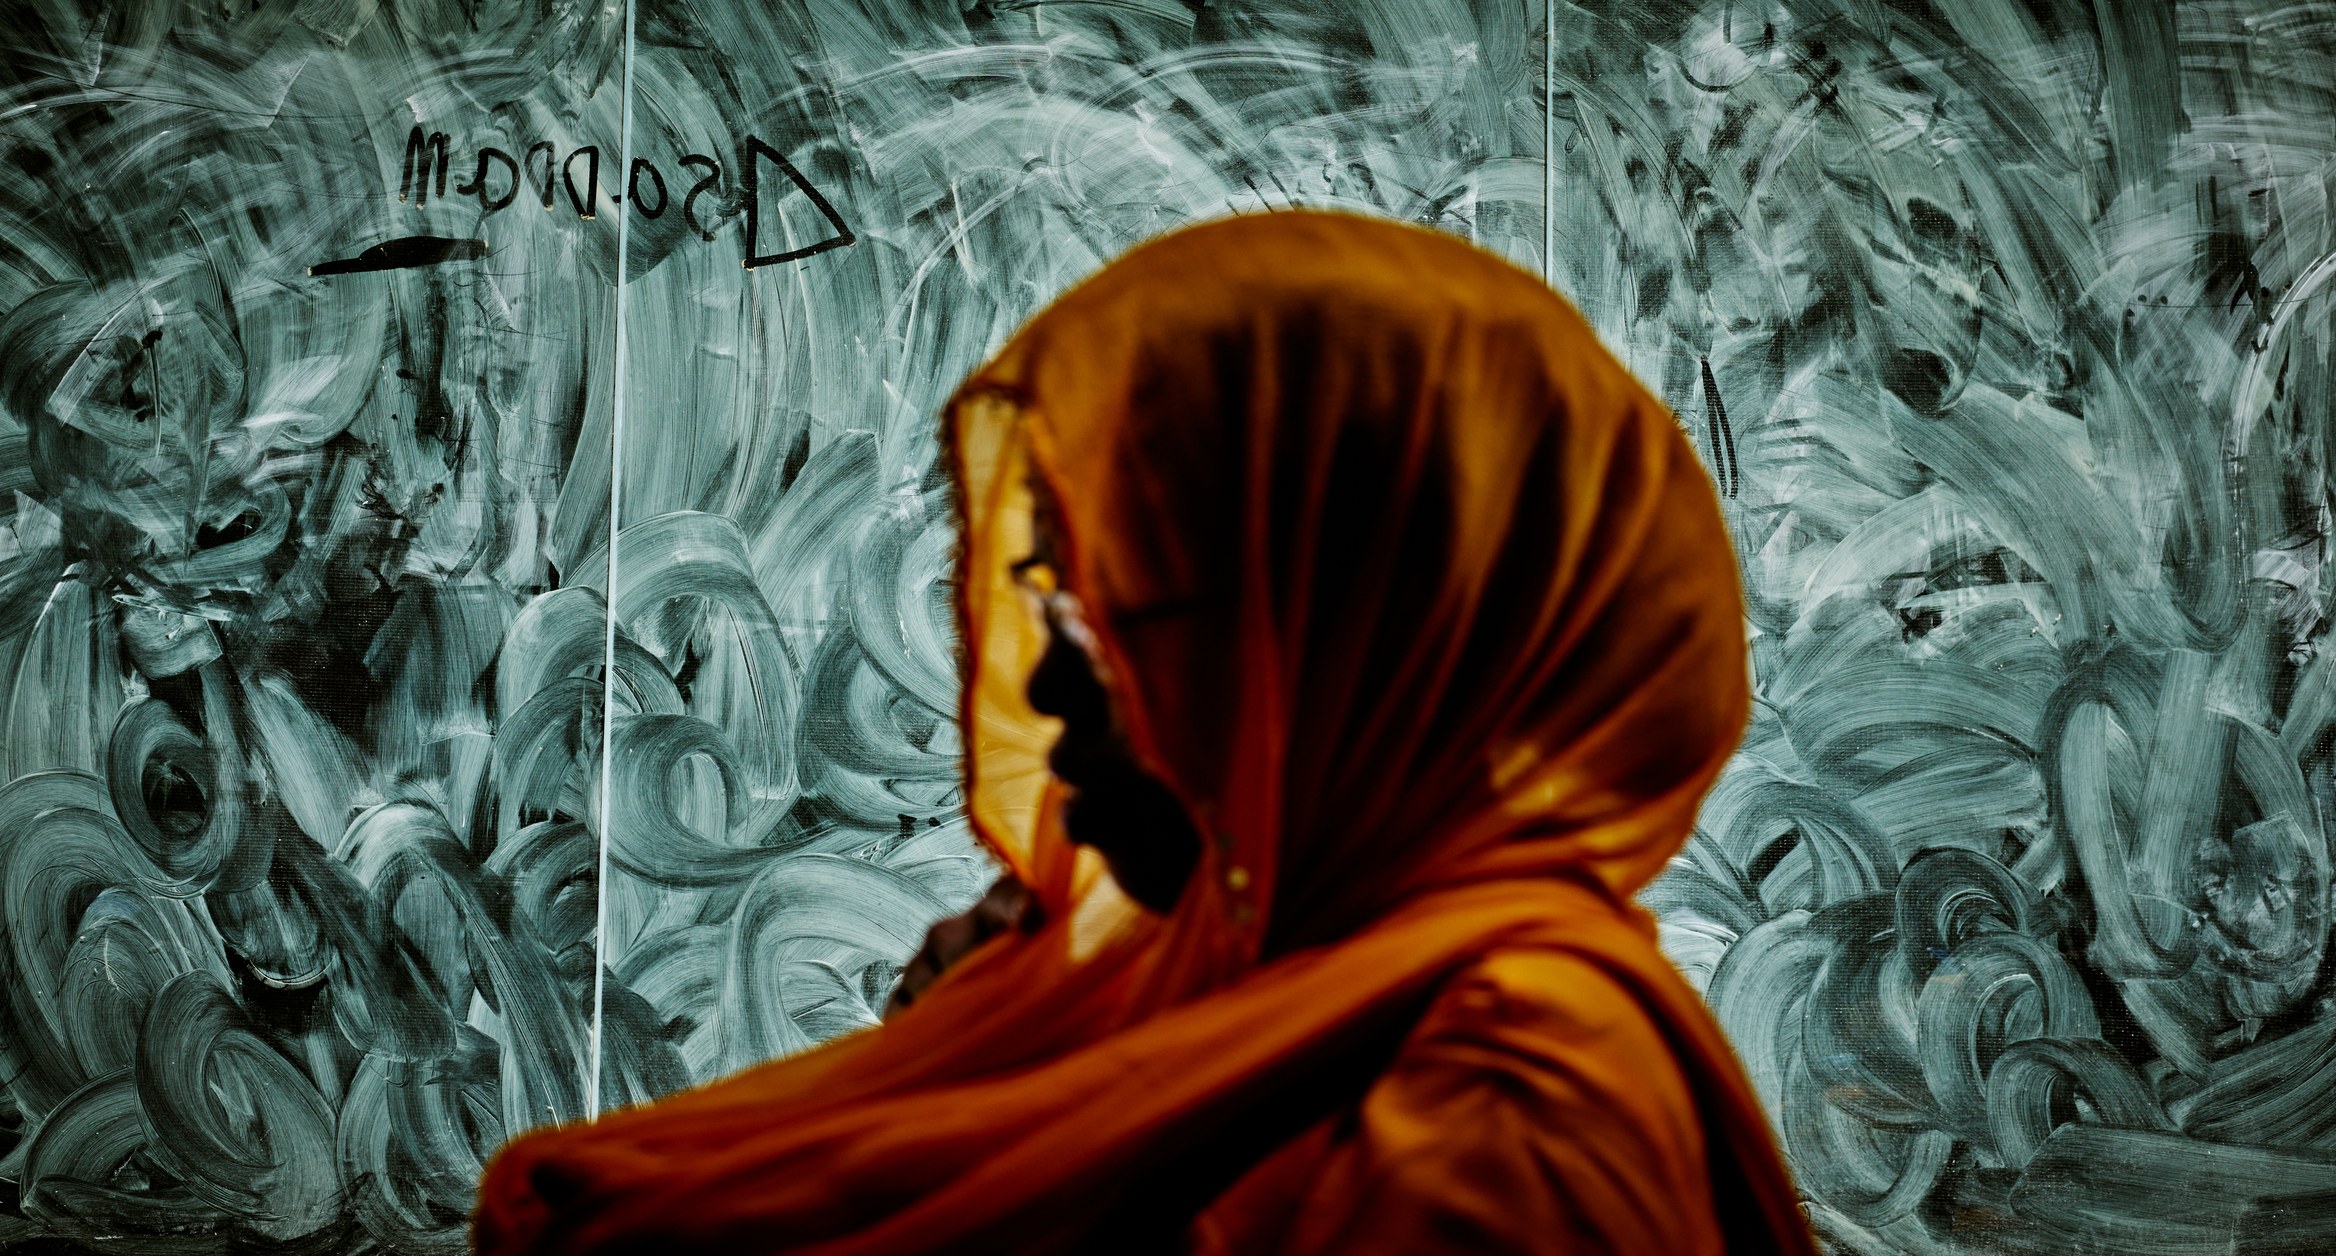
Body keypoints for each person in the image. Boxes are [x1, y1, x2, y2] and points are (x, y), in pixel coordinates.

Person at [473, 210, 1815, 1254]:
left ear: (1362, 663)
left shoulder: (1514, 1105)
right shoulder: (1247, 999)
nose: (1045, 687)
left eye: (1136, 610)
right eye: (1044, 598)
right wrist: (979, 1061)